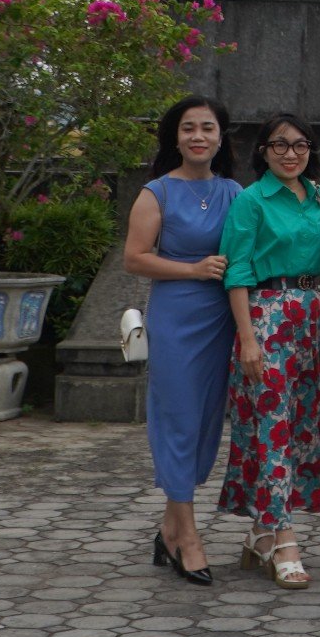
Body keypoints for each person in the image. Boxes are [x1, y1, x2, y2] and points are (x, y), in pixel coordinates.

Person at [123, 96, 243, 586]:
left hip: (222, 320)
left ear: (220, 137)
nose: (198, 136)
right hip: (175, 317)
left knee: (205, 424)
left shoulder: (235, 191)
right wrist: (192, 269)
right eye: (189, 128)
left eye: (207, 128)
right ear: (175, 137)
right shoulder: (156, 193)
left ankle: (168, 529)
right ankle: (188, 539)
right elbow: (135, 257)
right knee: (177, 419)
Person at [217, 111, 320, 588]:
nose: (291, 154)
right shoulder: (250, 200)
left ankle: (260, 534)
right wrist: (247, 337)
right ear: (262, 151)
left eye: (300, 145)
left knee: (303, 425)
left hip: (310, 318)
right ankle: (284, 538)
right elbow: (238, 270)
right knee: (271, 428)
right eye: (280, 145)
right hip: (266, 317)